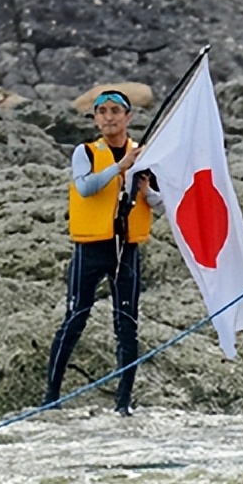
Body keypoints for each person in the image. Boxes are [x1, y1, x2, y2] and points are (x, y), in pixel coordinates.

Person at [41, 90, 164, 416]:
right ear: (95, 118)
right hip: (90, 248)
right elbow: (85, 187)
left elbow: (162, 204)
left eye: (115, 111)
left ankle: (123, 403)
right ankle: (51, 396)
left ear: (128, 117)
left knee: (126, 324)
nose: (109, 117)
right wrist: (121, 167)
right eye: (102, 111)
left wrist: (147, 191)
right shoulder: (85, 152)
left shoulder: (145, 153)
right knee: (75, 318)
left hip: (126, 248)